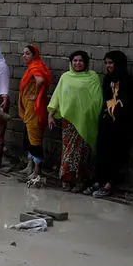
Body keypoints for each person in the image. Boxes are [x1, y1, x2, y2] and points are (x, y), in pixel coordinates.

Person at [89, 50, 133, 198]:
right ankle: (100, 180)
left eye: (111, 63)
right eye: (106, 63)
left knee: (116, 154)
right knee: (102, 152)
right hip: (107, 122)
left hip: (122, 126)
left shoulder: (129, 83)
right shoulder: (108, 80)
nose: (108, 66)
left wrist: (123, 114)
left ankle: (110, 184)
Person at [48, 50, 103, 192]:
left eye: (80, 61)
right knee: (68, 152)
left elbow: (97, 99)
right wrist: (51, 115)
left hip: (86, 121)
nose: (77, 63)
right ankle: (67, 179)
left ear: (86, 63)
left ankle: (81, 181)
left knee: (82, 152)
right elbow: (57, 97)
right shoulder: (65, 77)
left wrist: (88, 114)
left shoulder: (92, 77)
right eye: (75, 61)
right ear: (71, 62)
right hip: (69, 122)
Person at [17, 45, 53, 182]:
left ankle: (37, 171)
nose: (24, 56)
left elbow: (40, 80)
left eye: (27, 53)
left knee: (34, 139)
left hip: (34, 108)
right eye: (23, 53)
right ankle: (29, 166)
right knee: (29, 136)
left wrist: (35, 94)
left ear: (34, 55)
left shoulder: (36, 66)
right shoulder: (33, 66)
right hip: (29, 108)